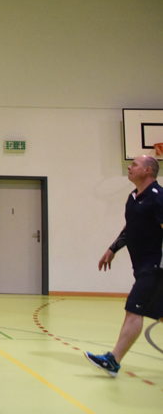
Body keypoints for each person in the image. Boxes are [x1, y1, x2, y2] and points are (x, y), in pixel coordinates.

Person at [85, 155, 163, 377]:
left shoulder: (158, 197)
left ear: (147, 170)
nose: (129, 167)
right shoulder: (133, 197)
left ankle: (113, 361)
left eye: (134, 164)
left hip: (155, 266)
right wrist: (113, 249)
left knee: (133, 309)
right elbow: (131, 228)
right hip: (141, 266)